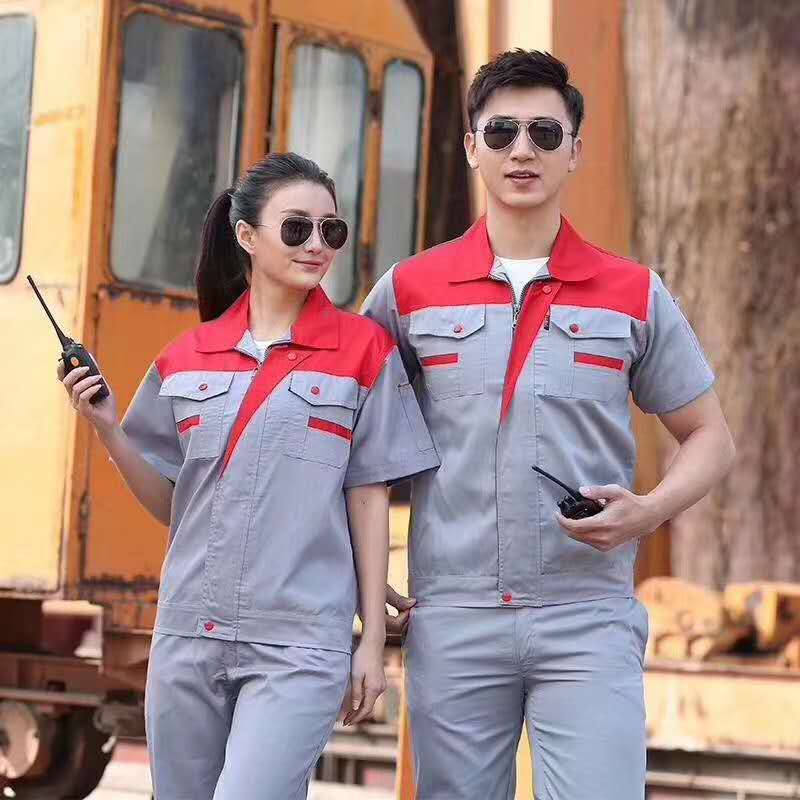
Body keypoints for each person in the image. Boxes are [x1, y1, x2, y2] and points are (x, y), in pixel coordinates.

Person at [363, 50, 735, 799]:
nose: (522, 150)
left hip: (586, 616)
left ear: (575, 150)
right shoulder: (409, 291)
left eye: (544, 132)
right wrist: (359, 585)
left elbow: (711, 438)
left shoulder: (633, 292)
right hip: (455, 615)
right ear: (472, 148)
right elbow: (350, 448)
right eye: (501, 132)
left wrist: (649, 511)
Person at [59, 152, 439, 800]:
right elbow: (175, 505)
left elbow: (368, 496)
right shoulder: (187, 357)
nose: (317, 244)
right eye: (297, 228)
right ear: (246, 235)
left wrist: (372, 642)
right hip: (189, 634)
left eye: (331, 230)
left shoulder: (363, 351)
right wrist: (109, 429)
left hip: (299, 642)